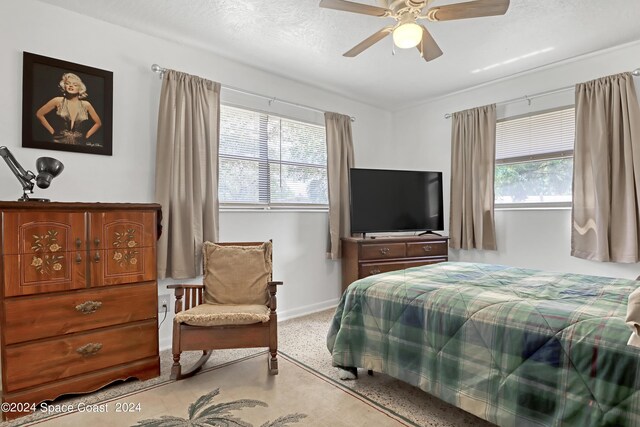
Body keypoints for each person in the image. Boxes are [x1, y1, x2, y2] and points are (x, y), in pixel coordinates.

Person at [35, 73, 102, 146]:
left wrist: (86, 136)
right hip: (58, 142)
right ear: (64, 86)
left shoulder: (86, 105)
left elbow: (98, 123)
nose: (71, 86)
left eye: (75, 84)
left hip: (79, 144)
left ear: (80, 88)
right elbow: (39, 114)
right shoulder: (57, 101)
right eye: (67, 83)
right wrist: (52, 132)